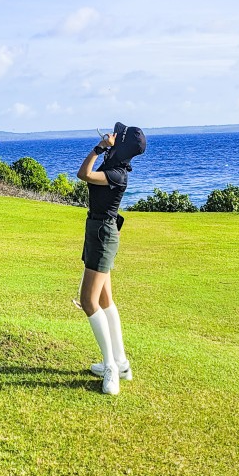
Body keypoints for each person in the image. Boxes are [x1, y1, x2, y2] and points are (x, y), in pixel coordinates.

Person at [75, 120, 147, 396]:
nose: (112, 134)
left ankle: (110, 369)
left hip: (103, 235)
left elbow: (84, 174)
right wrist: (105, 148)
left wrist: (98, 147)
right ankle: (121, 363)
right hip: (97, 230)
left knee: (88, 301)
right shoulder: (114, 166)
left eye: (118, 135)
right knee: (104, 300)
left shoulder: (117, 173)